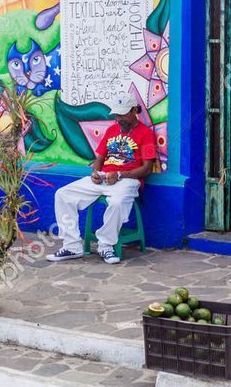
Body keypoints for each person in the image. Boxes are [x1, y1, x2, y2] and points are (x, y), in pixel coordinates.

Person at [48, 91, 155, 264]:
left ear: (135, 110)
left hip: (127, 180)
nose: (118, 119)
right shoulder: (112, 130)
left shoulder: (146, 134)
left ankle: (105, 246)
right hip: (105, 177)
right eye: (116, 115)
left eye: (122, 114)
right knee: (63, 194)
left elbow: (147, 168)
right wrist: (95, 172)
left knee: (118, 203)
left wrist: (120, 174)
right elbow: (99, 158)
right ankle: (72, 246)